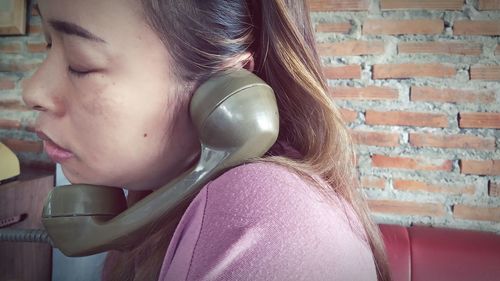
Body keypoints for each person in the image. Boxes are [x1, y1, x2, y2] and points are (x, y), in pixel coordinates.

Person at [22, 0, 391, 280]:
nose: (32, 90)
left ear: (227, 91)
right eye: (47, 43)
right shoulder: (157, 205)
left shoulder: (261, 217)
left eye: (80, 63)